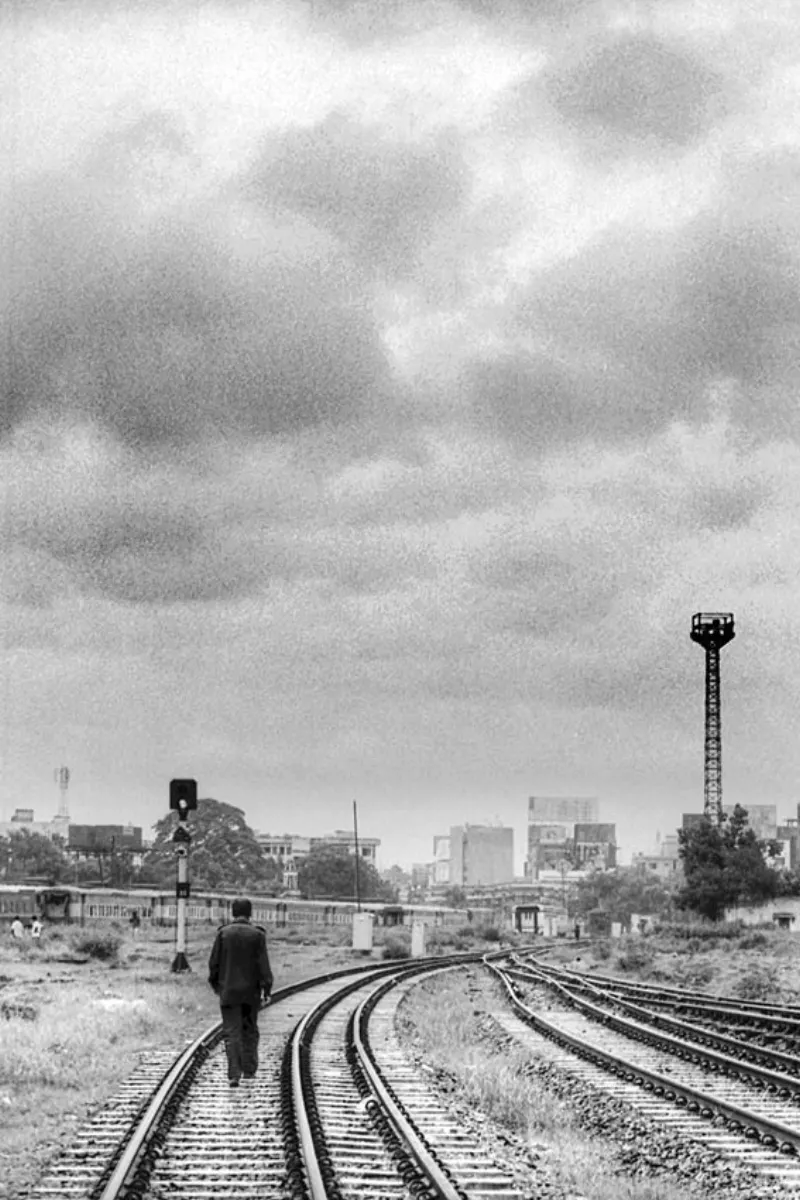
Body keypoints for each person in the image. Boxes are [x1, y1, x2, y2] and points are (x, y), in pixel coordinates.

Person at [208, 898, 273, 1088]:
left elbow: (214, 963)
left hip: (228, 992)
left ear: (233, 913)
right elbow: (263, 965)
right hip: (251, 993)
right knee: (250, 1030)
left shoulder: (223, 934)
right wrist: (267, 989)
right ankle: (249, 1069)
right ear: (250, 913)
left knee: (231, 1033)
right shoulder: (257, 935)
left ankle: (234, 1074)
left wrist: (216, 986)